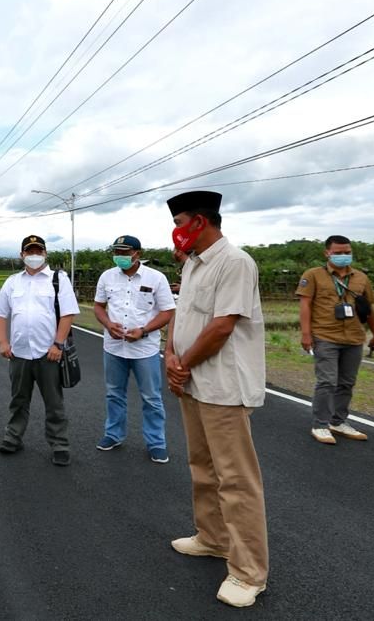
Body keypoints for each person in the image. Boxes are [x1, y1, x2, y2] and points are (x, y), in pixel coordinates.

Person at [164, 191, 268, 608]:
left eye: (180, 222)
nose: (175, 233)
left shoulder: (235, 262)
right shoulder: (192, 265)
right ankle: (212, 538)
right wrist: (170, 355)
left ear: (199, 223)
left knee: (237, 481)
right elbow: (181, 314)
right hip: (193, 383)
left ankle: (248, 572)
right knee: (202, 468)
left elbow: (223, 325)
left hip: (223, 388)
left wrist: (183, 362)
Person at [0, 235, 78, 467]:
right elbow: (1, 313)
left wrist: (58, 344)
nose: (34, 255)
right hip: (19, 353)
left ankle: (60, 445)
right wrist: (3, 342)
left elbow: (68, 313)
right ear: (22, 255)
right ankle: (13, 437)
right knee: (18, 399)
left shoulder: (58, 279)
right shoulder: (12, 282)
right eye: (29, 251)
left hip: (47, 353)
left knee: (54, 403)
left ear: (45, 253)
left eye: (38, 251)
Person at [93, 235, 176, 463]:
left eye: (125, 252)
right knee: (114, 394)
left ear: (137, 254)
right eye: (117, 252)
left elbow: (168, 311)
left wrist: (144, 330)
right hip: (113, 347)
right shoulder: (107, 277)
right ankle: (113, 435)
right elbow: (99, 307)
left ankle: (156, 443)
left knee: (151, 398)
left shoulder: (156, 278)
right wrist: (108, 324)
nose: (120, 256)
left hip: (144, 349)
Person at [296, 235, 374, 444]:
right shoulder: (313, 275)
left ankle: (338, 421)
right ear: (327, 253)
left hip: (354, 337)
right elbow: (305, 305)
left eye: (347, 252)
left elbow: (368, 308)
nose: (344, 256)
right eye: (338, 252)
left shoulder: (361, 278)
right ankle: (320, 424)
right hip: (325, 336)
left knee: (346, 383)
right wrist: (306, 334)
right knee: (327, 382)